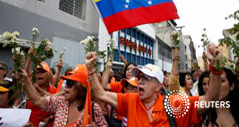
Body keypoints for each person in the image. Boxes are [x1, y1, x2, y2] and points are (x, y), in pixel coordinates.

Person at [85, 43, 222, 127]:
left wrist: (215, 67)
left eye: (147, 78)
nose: (140, 81)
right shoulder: (131, 101)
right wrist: (91, 70)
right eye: (139, 77)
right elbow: (100, 93)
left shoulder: (173, 105)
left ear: (158, 86)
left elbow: (210, 99)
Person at [20, 64, 108, 127]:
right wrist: (25, 79)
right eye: (65, 83)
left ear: (81, 87)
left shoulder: (93, 109)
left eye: (70, 84)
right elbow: (38, 100)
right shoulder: (60, 102)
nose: (65, 88)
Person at [26, 61, 57, 127]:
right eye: (37, 72)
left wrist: (50, 117)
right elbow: (25, 75)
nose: (39, 74)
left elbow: (59, 110)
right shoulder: (30, 89)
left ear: (48, 75)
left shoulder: (54, 91)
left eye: (43, 72)